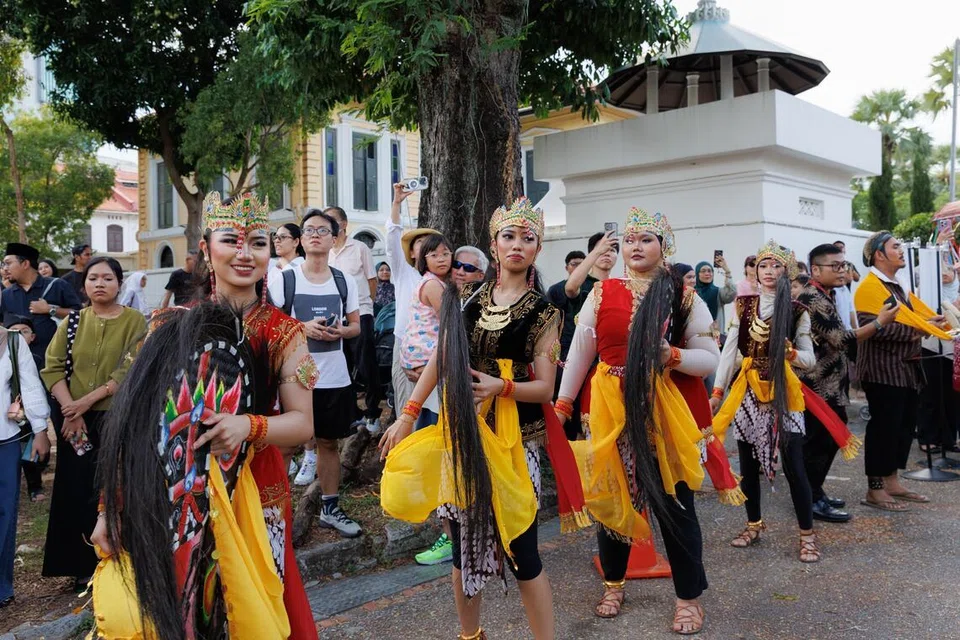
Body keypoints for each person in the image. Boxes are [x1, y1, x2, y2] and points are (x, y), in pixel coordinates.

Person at [90, 191, 318, 639]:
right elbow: (137, 429)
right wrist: (108, 510)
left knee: (248, 608)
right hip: (175, 488)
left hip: (253, 490)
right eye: (231, 240)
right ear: (207, 249)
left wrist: (245, 426)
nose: (244, 253)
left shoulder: (284, 332)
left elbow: (303, 424)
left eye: (257, 242)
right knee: (180, 607)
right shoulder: (167, 324)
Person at [380, 197, 585, 640]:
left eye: (527, 238)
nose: (517, 245)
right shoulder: (470, 301)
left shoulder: (546, 314)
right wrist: (408, 413)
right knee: (462, 551)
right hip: (465, 435)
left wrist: (502, 387)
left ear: (537, 248)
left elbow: (546, 389)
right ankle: (471, 636)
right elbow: (443, 355)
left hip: (514, 442)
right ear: (494, 246)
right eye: (508, 237)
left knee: (524, 551)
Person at [556, 208, 722, 634]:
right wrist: (563, 403)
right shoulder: (601, 293)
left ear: (663, 248)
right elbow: (580, 353)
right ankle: (614, 583)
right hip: (610, 410)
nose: (635, 246)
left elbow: (710, 360)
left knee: (675, 506)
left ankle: (688, 599)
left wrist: (674, 356)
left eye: (646, 239)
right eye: (629, 239)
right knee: (614, 502)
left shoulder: (682, 297)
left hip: (663, 413)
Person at [710, 240, 821, 563]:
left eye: (776, 266)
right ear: (755, 272)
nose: (769, 272)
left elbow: (810, 360)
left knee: (794, 466)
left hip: (784, 394)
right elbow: (729, 351)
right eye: (763, 266)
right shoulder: (743, 306)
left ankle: (807, 535)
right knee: (747, 464)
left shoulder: (798, 311)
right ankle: (753, 524)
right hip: (747, 392)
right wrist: (718, 392)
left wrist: (792, 354)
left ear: (786, 272)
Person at [41, 257, 146, 592]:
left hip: (118, 416)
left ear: (119, 283)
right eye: (92, 278)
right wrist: (71, 411)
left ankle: (120, 556)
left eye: (107, 278)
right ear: (83, 284)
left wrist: (80, 405)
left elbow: (128, 370)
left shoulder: (135, 322)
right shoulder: (73, 321)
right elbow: (53, 367)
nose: (99, 284)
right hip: (76, 421)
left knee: (115, 483)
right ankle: (79, 565)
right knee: (76, 486)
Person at [269, 209, 364, 537]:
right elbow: (270, 324)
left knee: (327, 443)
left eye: (323, 230)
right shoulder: (286, 278)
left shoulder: (344, 280)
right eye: (309, 230)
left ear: (334, 238)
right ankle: (276, 515)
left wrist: (342, 332)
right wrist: (301, 327)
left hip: (334, 376)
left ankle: (330, 507)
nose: (315, 235)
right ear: (301, 239)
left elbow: (356, 327)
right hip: (294, 378)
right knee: (285, 446)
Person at [798, 244, 898, 524]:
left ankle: (814, 491)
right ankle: (810, 498)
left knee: (827, 439)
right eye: (836, 266)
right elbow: (840, 339)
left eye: (844, 265)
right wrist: (879, 323)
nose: (843, 270)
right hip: (817, 386)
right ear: (816, 269)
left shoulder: (826, 293)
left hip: (830, 383)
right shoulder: (812, 298)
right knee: (821, 441)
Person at [853, 231, 952, 512]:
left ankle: (892, 481)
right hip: (882, 371)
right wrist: (921, 328)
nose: (900, 250)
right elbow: (877, 329)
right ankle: (875, 489)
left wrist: (929, 320)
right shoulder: (870, 288)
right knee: (883, 428)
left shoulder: (896, 287)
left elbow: (910, 318)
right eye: (895, 246)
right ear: (879, 255)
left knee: (904, 427)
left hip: (905, 369)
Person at [0, 318, 50, 608]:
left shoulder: (13, 340)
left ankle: (2, 585)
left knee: (5, 511)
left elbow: (30, 385)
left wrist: (40, 429)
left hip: (5, 438)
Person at [384, 184, 440, 425]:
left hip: (438, 352)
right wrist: (397, 203)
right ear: (413, 253)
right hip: (405, 347)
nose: (426, 247)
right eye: (420, 243)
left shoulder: (442, 279)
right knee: (407, 408)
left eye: (432, 244)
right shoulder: (402, 272)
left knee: (436, 410)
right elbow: (392, 237)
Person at [326, 207, 382, 434]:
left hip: (361, 313)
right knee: (342, 366)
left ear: (344, 224)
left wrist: (365, 305)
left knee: (366, 364)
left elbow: (372, 280)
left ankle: (373, 413)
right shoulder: (326, 252)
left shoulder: (359, 249)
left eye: (332, 221)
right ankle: (351, 414)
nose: (328, 225)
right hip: (335, 318)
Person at [399, 233, 453, 429]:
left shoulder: (435, 282)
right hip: (427, 355)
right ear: (423, 260)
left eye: (445, 253)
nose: (441, 259)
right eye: (434, 255)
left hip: (421, 354)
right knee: (434, 414)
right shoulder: (432, 285)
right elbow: (449, 325)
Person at [1, 243, 82, 361]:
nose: (5, 268)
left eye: (8, 263)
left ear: (25, 264)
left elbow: (80, 315)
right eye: (4, 264)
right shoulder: (6, 294)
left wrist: (50, 310)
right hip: (19, 364)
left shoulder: (57, 285)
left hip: (56, 361)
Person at [4, 314, 48, 502]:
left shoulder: (31, 355)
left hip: (19, 423)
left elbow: (34, 387)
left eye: (25, 330)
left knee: (30, 454)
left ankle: (35, 486)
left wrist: (40, 427)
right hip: (11, 420)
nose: (20, 334)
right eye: (16, 330)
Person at [694, 258, 736, 333]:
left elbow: (732, 293)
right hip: (695, 334)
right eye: (703, 271)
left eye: (710, 271)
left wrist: (727, 271)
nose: (707, 273)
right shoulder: (692, 292)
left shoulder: (718, 292)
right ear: (697, 274)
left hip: (715, 335)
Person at [267, 222, 306, 292]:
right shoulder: (274, 268)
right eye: (275, 237)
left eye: (283, 237)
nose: (277, 241)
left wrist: (285, 264)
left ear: (296, 242)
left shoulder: (305, 267)